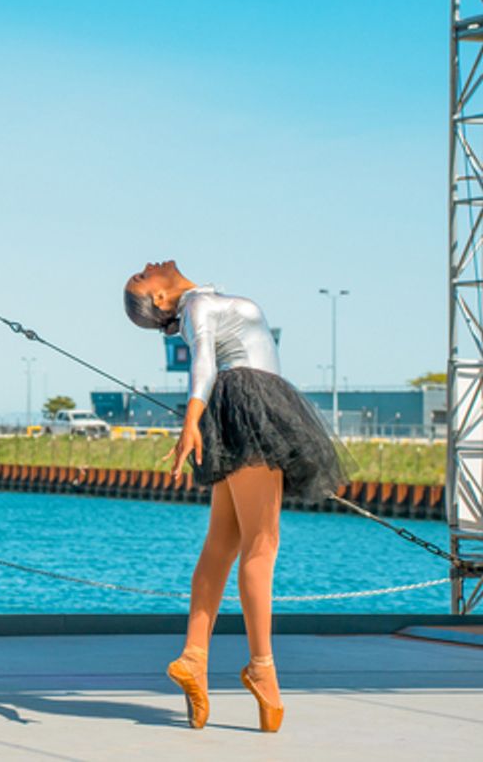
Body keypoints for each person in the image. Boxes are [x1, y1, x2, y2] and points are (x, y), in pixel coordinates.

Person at [123, 260, 343, 733]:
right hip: (252, 405)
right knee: (261, 546)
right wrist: (190, 420)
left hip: (237, 407)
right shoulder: (198, 305)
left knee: (222, 543)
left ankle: (194, 657)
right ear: (160, 301)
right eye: (141, 278)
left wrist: (198, 418)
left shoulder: (202, 299)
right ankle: (261, 666)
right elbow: (203, 359)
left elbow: (206, 356)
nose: (145, 267)